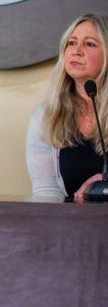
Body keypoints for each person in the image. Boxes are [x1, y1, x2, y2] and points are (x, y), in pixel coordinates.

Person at [26, 13, 108, 202]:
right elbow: (46, 192)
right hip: (71, 226)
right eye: (71, 43)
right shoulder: (46, 115)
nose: (76, 51)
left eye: (90, 44)